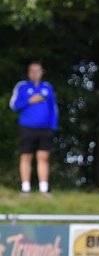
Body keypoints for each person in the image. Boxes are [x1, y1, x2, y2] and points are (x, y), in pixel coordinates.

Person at [9, 61, 59, 195]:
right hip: (27, 128)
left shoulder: (47, 87)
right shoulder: (22, 86)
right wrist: (29, 101)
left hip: (45, 129)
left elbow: (54, 109)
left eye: (38, 71)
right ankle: (25, 188)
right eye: (32, 71)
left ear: (42, 72)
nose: (35, 73)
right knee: (26, 157)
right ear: (28, 72)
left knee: (43, 157)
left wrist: (53, 127)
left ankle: (44, 189)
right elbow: (13, 105)